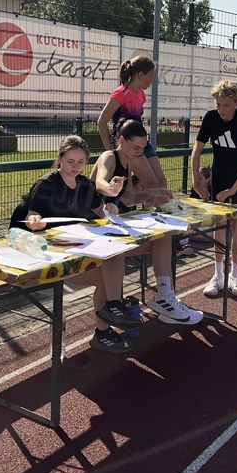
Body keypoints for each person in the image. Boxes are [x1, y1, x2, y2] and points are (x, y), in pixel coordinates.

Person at [9, 135, 140, 354]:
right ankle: (107, 324)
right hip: (47, 253)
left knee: (114, 258)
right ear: (60, 158)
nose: (75, 166)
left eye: (81, 162)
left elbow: (101, 211)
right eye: (70, 161)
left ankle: (111, 313)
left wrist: (110, 208)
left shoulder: (83, 183)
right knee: (108, 279)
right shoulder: (46, 184)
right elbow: (32, 216)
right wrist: (35, 222)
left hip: (75, 246)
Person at [91, 119, 204, 326]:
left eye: (143, 148)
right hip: (97, 232)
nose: (140, 153)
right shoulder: (109, 156)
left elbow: (128, 199)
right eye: (136, 148)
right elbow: (100, 182)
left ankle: (164, 296)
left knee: (163, 236)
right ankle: (110, 318)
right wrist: (109, 188)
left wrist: (150, 193)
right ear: (121, 140)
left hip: (115, 230)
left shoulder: (128, 162)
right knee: (118, 255)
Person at [191, 80, 237, 297]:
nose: (221, 109)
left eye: (226, 105)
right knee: (219, 227)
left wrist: (234, 189)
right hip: (219, 180)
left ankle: (235, 275)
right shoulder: (211, 118)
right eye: (218, 104)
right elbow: (196, 150)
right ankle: (218, 275)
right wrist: (195, 181)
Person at [96, 55, 169, 205]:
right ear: (140, 75)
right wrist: (110, 151)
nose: (151, 81)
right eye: (150, 77)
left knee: (161, 181)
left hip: (141, 141)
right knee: (151, 182)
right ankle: (150, 216)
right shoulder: (120, 93)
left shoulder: (141, 95)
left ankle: (165, 213)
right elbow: (102, 121)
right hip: (128, 143)